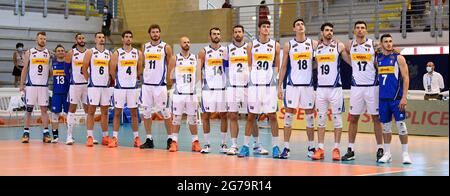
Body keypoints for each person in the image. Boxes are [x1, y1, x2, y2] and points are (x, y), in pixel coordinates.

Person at [340, 21, 384, 162]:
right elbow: (343, 51)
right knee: (353, 118)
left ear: (366, 30)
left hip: (372, 86)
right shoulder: (350, 45)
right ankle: (351, 149)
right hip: (356, 87)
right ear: (354, 30)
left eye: (363, 28)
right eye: (358, 28)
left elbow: (380, 62)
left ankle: (380, 148)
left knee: (376, 118)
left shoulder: (373, 45)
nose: (360, 30)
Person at [238, 20, 281, 159]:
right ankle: (245, 146)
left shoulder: (275, 45)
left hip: (268, 86)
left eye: (268, 27)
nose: (267, 29)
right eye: (264, 27)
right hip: (255, 86)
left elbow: (277, 67)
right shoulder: (251, 45)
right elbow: (249, 66)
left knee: (273, 116)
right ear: (259, 29)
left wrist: (275, 83)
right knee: (251, 117)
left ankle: (275, 147)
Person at [278, 18, 318, 159]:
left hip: (307, 85)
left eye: (302, 24)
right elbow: (283, 67)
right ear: (294, 29)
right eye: (297, 25)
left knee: (309, 119)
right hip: (292, 85)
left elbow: (318, 63)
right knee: (288, 117)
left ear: (304, 27)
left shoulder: (313, 44)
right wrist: (279, 86)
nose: (300, 26)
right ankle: (286, 148)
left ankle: (311, 147)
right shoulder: (288, 45)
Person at [226, 25, 268, 156]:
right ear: (233, 34)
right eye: (235, 32)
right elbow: (225, 68)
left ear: (243, 33)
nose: (238, 34)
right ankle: (233, 145)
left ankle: (256, 144)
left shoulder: (250, 47)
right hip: (233, 87)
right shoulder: (228, 49)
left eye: (240, 32)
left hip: (248, 87)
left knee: (252, 116)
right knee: (233, 116)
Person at [311, 23, 346, 161]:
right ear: (322, 32)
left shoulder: (338, 46)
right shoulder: (316, 47)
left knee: (337, 119)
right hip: (320, 88)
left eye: (331, 30)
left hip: (335, 88)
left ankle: (336, 148)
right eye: (326, 30)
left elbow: (349, 57)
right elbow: (313, 65)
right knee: (320, 120)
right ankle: (320, 148)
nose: (329, 32)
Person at [376, 34, 412, 164]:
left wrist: (404, 97)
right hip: (383, 99)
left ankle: (405, 154)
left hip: (396, 99)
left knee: (401, 126)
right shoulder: (378, 59)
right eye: (385, 41)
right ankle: (387, 153)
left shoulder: (399, 58)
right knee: (385, 128)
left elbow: (406, 78)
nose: (389, 44)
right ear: (381, 44)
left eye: (390, 41)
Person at [139, 24, 174, 150]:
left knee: (165, 112)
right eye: (153, 32)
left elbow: (171, 63)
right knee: (146, 112)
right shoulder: (145, 47)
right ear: (149, 33)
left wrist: (170, 79)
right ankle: (149, 139)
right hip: (147, 85)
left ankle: (170, 139)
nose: (155, 34)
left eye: (157, 32)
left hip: (160, 85)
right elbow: (142, 63)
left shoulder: (166, 47)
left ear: (160, 33)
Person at [168, 36, 202, 153]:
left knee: (193, 119)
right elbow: (170, 77)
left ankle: (195, 142)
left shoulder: (195, 58)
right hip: (179, 93)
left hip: (191, 93)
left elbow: (198, 75)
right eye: (184, 42)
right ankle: (174, 142)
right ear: (180, 44)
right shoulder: (175, 58)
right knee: (176, 118)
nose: (187, 44)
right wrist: (179, 85)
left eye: (188, 42)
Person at [110, 30, 143, 148]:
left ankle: (136, 138)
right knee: (117, 113)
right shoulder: (117, 53)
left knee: (134, 113)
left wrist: (134, 79)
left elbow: (139, 69)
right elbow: (112, 70)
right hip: (120, 87)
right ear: (122, 39)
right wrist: (117, 81)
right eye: (126, 37)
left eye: (130, 37)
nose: (128, 39)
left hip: (132, 88)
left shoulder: (137, 53)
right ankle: (114, 138)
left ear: (132, 39)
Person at [198, 27, 229, 154]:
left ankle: (223, 144)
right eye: (214, 34)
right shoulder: (203, 51)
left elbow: (229, 68)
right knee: (206, 115)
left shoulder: (225, 50)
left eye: (218, 34)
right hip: (208, 89)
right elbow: (198, 70)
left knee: (224, 115)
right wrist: (198, 87)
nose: (216, 36)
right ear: (209, 36)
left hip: (222, 88)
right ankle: (207, 144)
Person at [19, 32, 51, 143]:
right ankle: (26, 133)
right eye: (41, 38)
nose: (43, 40)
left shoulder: (48, 53)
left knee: (44, 110)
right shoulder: (29, 52)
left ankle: (46, 133)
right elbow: (24, 69)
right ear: (36, 40)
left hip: (43, 86)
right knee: (28, 110)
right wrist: (22, 84)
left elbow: (50, 71)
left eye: (44, 39)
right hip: (31, 86)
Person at [82, 32, 112, 147]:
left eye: (103, 37)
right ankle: (90, 136)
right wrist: (89, 80)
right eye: (99, 37)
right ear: (95, 39)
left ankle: (105, 136)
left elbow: (111, 69)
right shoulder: (90, 52)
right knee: (91, 111)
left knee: (105, 112)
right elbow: (84, 68)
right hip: (93, 86)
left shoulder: (109, 53)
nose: (102, 39)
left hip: (105, 87)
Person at [65, 33, 90, 145]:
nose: (81, 40)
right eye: (79, 38)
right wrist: (70, 80)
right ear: (76, 41)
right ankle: (69, 136)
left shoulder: (89, 53)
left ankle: (90, 136)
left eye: (83, 38)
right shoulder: (71, 53)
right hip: (75, 85)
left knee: (88, 110)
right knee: (72, 109)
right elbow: (66, 69)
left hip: (86, 84)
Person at [50, 45, 70, 143]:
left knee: (68, 115)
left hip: (67, 93)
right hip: (56, 93)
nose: (61, 52)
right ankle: (55, 136)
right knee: (54, 115)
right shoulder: (53, 64)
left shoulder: (68, 64)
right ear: (56, 52)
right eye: (58, 51)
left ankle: (69, 136)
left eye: (62, 50)